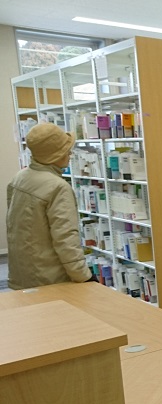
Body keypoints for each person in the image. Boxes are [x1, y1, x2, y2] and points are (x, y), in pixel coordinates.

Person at [7, 122, 93, 289]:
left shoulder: (19, 177)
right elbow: (66, 238)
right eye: (66, 150)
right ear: (55, 155)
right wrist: (84, 277)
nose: (69, 153)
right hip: (50, 278)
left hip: (22, 273)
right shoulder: (58, 187)